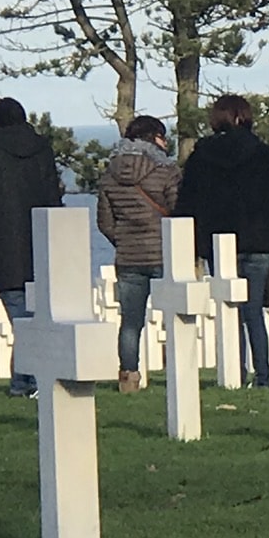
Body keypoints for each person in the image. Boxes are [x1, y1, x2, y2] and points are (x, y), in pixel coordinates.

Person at [175, 94, 269, 387]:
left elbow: (187, 203)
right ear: (243, 117)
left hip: (220, 243)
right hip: (259, 242)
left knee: (229, 311)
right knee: (253, 310)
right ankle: (262, 376)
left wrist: (198, 241)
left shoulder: (201, 157)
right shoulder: (261, 153)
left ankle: (234, 373)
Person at [0, 96, 64, 396]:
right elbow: (52, 197)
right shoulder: (42, 150)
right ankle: (29, 378)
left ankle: (25, 380)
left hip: (4, 248)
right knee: (33, 317)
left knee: (20, 316)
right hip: (41, 245)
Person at [95, 114, 179, 393]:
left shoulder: (110, 174)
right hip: (164, 253)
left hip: (129, 257)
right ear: (154, 137)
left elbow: (105, 222)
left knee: (131, 322)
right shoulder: (166, 171)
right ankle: (180, 372)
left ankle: (128, 376)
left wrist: (122, 240)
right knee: (178, 317)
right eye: (162, 136)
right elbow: (178, 212)